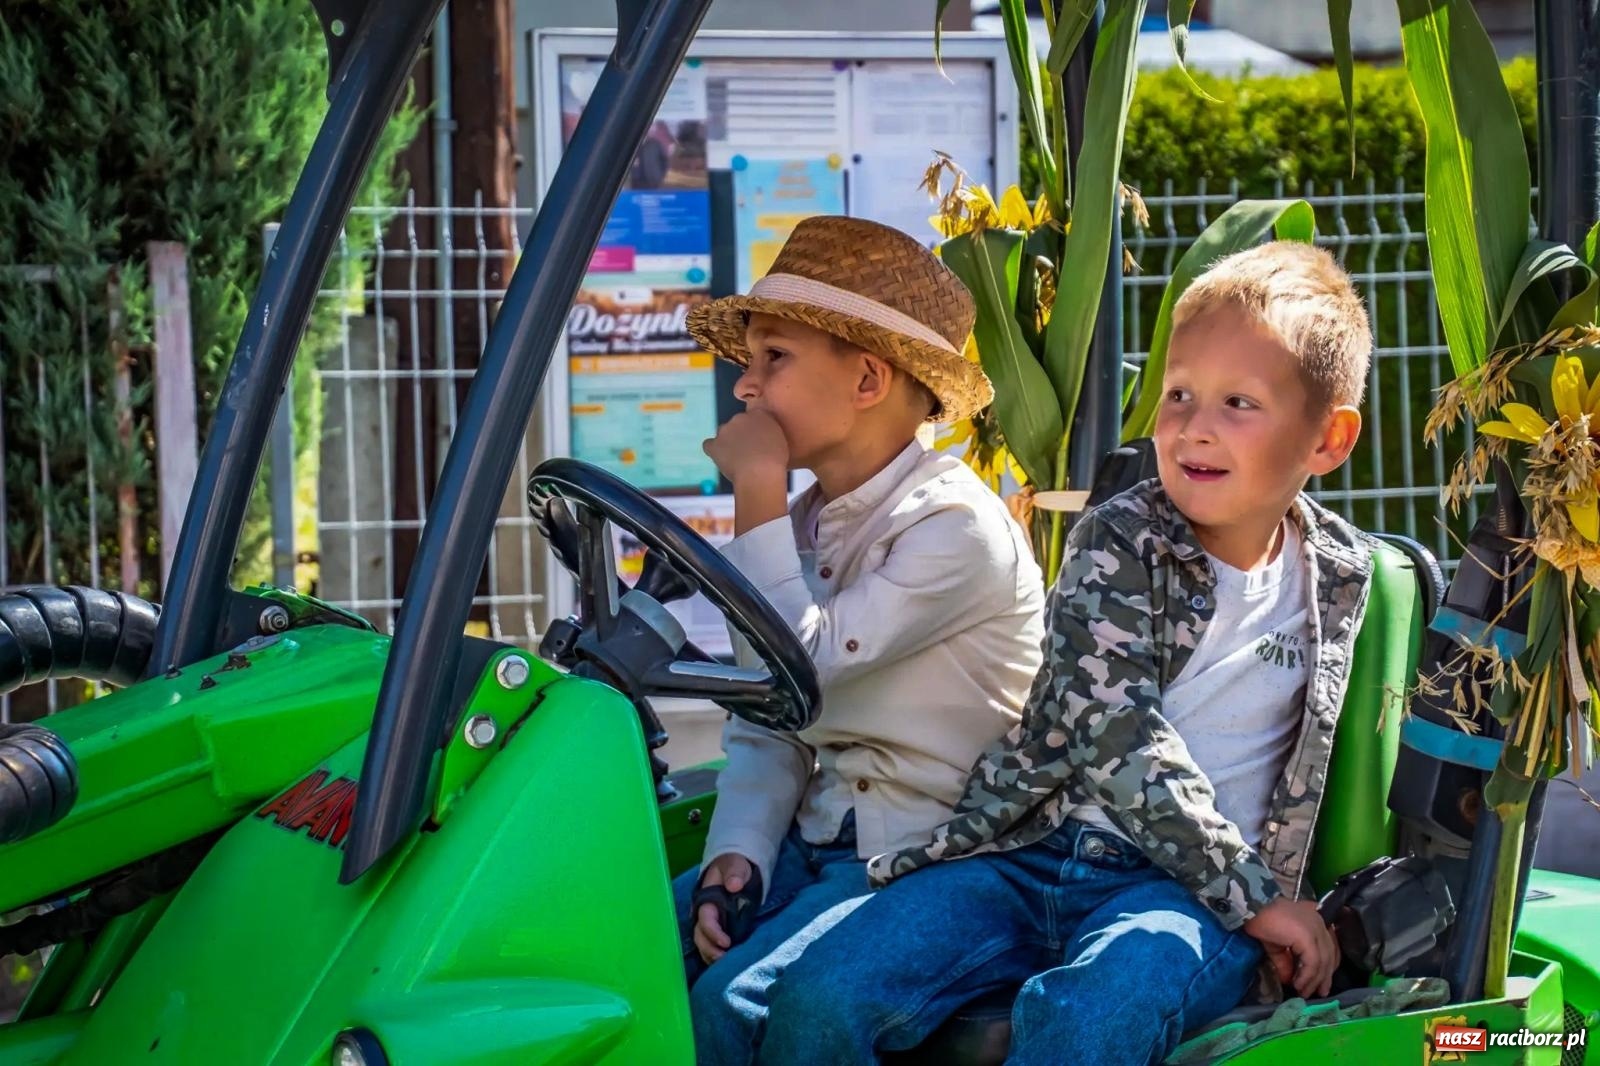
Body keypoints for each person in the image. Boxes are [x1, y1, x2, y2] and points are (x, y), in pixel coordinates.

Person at [747, 240, 1377, 1066]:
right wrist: (1254, 893)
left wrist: (1260, 898)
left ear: (1328, 440)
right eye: (1177, 394)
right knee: (822, 997)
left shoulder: (1339, 575)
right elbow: (1115, 731)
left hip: (1181, 894)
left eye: (1238, 403)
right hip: (1031, 854)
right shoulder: (1117, 540)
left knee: (1087, 1018)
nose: (1193, 426)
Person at [675, 215, 1047, 1061]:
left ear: (869, 379)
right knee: (613, 943)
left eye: (775, 358)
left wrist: (758, 486)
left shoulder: (955, 527)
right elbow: (770, 717)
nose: (745, 386)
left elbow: (797, 663)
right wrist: (739, 852)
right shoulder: (806, 525)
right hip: (822, 839)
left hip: (939, 856)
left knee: (748, 1007)